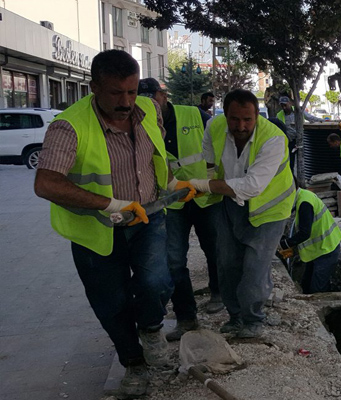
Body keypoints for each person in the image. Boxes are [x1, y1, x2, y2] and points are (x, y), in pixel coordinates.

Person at [33, 49, 199, 397]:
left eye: (131, 91)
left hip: (148, 217)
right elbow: (46, 183)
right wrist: (110, 203)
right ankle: (134, 365)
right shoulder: (69, 126)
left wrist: (170, 182)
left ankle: (151, 329)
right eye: (115, 93)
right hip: (96, 230)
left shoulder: (149, 109)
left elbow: (155, 153)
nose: (125, 102)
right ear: (94, 87)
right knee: (111, 302)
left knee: (157, 281)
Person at [186, 89, 294, 339]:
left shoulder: (273, 138)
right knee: (227, 263)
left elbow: (252, 186)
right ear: (226, 114)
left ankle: (253, 320)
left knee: (254, 268)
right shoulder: (215, 126)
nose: (241, 126)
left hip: (269, 210)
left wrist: (202, 185)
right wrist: (209, 183)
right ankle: (235, 317)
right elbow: (210, 163)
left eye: (248, 119)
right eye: (235, 119)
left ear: (258, 115)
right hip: (230, 203)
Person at [136, 78, 225, 342]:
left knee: (214, 249)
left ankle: (218, 292)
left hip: (205, 196)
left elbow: (220, 141)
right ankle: (187, 317)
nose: (150, 107)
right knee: (174, 260)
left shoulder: (193, 113)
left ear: (164, 97)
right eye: (143, 102)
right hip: (172, 201)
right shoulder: (140, 124)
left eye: (154, 99)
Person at [278, 188, 341, 293]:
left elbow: (304, 233)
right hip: (318, 250)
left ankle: (324, 307)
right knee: (306, 285)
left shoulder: (305, 203)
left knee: (318, 290)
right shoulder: (303, 196)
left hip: (326, 249)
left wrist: (284, 244)